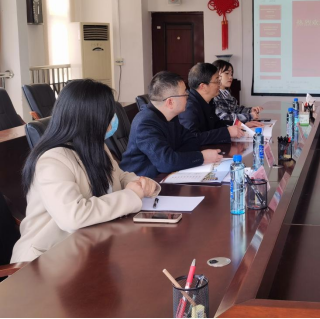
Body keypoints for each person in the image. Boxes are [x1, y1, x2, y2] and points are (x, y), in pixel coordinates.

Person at [11, 80, 160, 264]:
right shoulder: (52, 161)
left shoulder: (95, 145)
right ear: (91, 118)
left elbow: (120, 176)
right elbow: (72, 217)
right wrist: (131, 195)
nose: (113, 119)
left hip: (89, 246)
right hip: (46, 260)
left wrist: (140, 183)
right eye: (108, 114)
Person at [119, 71, 223, 179]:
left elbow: (192, 140)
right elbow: (166, 163)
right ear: (170, 102)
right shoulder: (145, 123)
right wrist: (201, 157)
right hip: (142, 182)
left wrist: (174, 157)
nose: (187, 96)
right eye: (184, 93)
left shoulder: (170, 116)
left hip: (165, 176)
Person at [180, 63, 246, 145]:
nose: (219, 84)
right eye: (217, 81)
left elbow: (217, 125)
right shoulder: (188, 106)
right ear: (203, 86)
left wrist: (240, 126)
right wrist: (226, 132)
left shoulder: (208, 101)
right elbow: (191, 138)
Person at [212, 59, 263, 126]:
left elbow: (236, 109)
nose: (231, 77)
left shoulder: (227, 93)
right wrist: (250, 116)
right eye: (227, 73)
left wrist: (250, 110)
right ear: (216, 75)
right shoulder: (214, 95)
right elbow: (224, 118)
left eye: (231, 74)